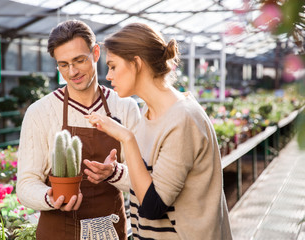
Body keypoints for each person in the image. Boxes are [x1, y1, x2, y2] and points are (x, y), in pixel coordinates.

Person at [84, 23, 233, 239]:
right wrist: (114, 172)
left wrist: (127, 137)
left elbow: (154, 206)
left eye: (113, 66)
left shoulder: (182, 118)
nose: (108, 76)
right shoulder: (150, 111)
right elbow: (152, 180)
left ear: (136, 63)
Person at [16, 20, 141, 240]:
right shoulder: (40, 112)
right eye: (63, 64)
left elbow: (144, 179)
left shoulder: (124, 106)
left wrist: (114, 173)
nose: (72, 71)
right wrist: (50, 197)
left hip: (109, 230)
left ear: (95, 53)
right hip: (58, 231)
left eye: (79, 60)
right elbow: (26, 184)